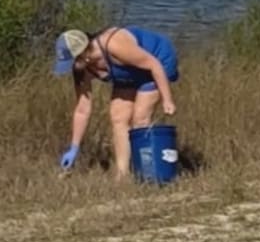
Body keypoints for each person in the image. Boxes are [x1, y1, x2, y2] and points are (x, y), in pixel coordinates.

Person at [52, 26, 179, 179]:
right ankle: (122, 175)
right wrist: (74, 147)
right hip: (129, 72)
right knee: (118, 117)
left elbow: (153, 65)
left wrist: (167, 99)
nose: (72, 67)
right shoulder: (82, 69)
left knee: (140, 118)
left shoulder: (115, 45)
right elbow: (82, 109)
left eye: (72, 61)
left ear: (84, 54)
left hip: (158, 61)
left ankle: (148, 173)